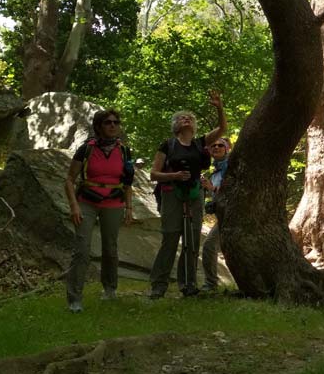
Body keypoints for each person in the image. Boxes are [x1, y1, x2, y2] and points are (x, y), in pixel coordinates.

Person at [148, 91, 227, 298]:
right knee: (170, 238)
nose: (186, 119)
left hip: (194, 193)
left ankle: (188, 285)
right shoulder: (167, 145)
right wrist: (173, 175)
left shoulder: (200, 143)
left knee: (191, 240)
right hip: (171, 192)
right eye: (181, 118)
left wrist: (219, 107)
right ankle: (158, 285)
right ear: (176, 125)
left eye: (189, 118)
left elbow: (223, 129)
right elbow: (153, 174)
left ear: (194, 125)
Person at [64, 109, 135, 312]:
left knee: (110, 248)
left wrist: (129, 208)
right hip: (86, 201)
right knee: (82, 250)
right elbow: (69, 179)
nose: (113, 125)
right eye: (107, 122)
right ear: (99, 126)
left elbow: (128, 183)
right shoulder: (86, 149)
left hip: (114, 203)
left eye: (116, 122)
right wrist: (74, 206)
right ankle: (75, 299)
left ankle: (110, 290)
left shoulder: (124, 151)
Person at [200, 137, 230, 292]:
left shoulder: (231, 167)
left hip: (232, 217)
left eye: (220, 145)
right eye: (213, 146)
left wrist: (212, 188)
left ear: (227, 148)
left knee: (209, 246)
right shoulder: (216, 171)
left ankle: (211, 284)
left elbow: (233, 191)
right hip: (223, 217)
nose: (216, 147)